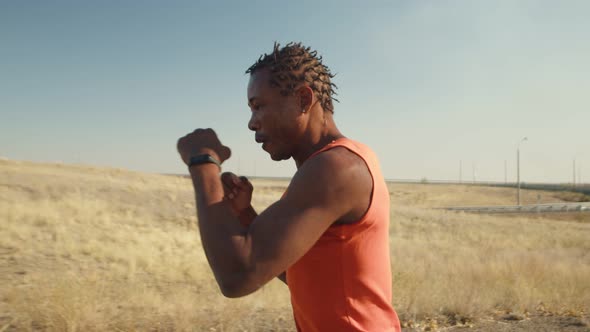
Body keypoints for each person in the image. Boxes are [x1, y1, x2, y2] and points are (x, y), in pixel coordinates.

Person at [177, 42, 401, 332]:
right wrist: (245, 216)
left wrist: (203, 162)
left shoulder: (336, 168)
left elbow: (237, 277)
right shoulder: (326, 167)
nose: (251, 123)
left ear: (303, 100)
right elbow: (297, 270)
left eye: (258, 106)